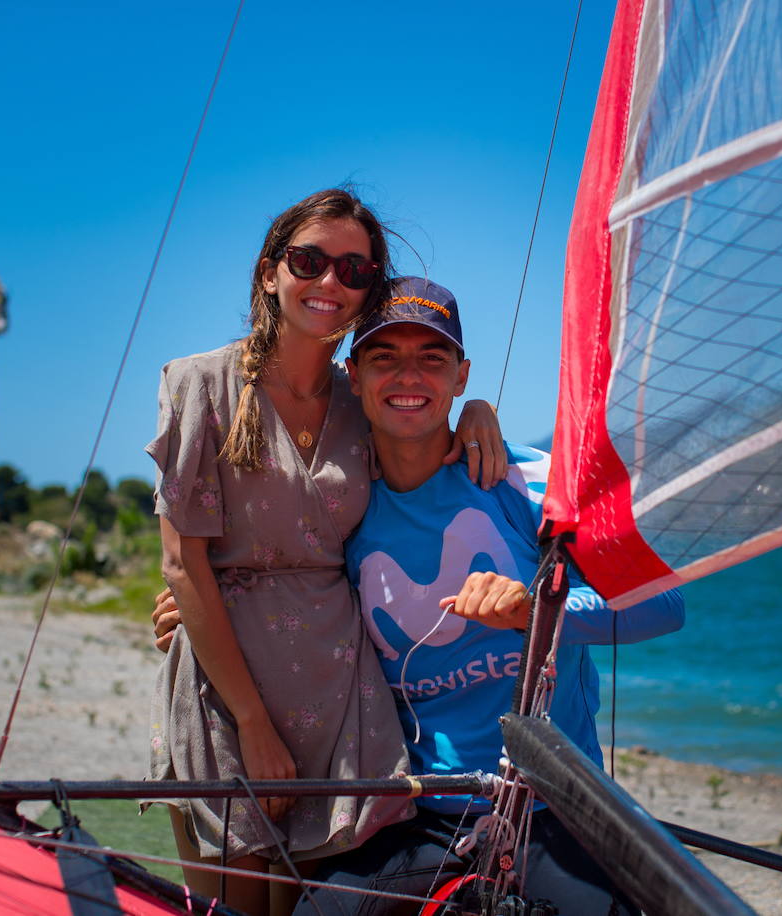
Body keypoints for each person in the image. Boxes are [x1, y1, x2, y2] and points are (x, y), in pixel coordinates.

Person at [156, 277, 684, 914]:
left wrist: (537, 610)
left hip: (551, 807)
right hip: (419, 814)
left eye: (432, 359)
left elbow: (663, 604)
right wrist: (195, 611)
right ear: (353, 375)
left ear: (461, 377)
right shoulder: (343, 510)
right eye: (385, 357)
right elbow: (278, 584)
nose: (409, 376)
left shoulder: (525, 479)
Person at [145, 190, 505, 916]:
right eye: (310, 262)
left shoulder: (358, 398)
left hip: (342, 693)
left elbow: (424, 427)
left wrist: (479, 410)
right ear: (270, 272)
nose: (331, 284)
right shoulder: (202, 383)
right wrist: (250, 721)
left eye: (355, 270)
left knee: (317, 907)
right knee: (231, 904)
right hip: (232, 688)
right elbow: (184, 566)